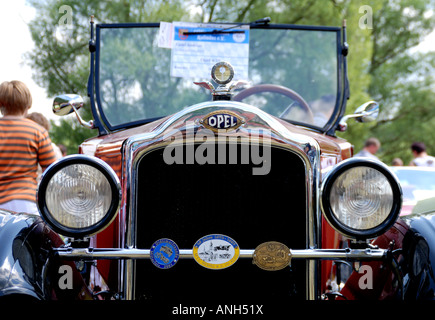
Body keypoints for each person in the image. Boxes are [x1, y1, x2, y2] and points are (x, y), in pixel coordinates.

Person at [0, 80, 57, 214]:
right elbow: (52, 171)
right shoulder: (37, 131)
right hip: (27, 202)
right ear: (28, 104)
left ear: (1, 103)